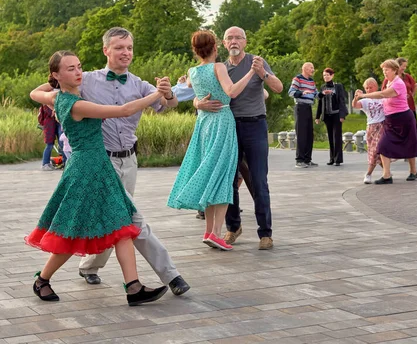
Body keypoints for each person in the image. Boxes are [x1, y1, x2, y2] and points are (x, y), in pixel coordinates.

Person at [26, 51, 167, 305]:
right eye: (70, 69)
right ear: (56, 75)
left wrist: (52, 85)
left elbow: (35, 92)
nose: (78, 72)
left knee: (121, 225)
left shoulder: (55, 96)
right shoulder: (74, 104)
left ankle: (133, 287)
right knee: (73, 231)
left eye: (79, 66)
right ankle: (42, 279)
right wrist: (158, 94)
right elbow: (124, 110)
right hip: (85, 170)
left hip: (98, 166)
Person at [76, 27, 189, 295]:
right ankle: (171, 275)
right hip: (102, 163)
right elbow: (54, 88)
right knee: (133, 220)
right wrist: (47, 97)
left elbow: (168, 105)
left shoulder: (139, 84)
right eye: (119, 48)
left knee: (114, 219)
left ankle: (89, 266)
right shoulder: (88, 80)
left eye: (129, 47)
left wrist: (168, 92)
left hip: (130, 161)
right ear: (106, 50)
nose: (125, 52)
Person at [194, 26, 283, 250]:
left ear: (245, 41)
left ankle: (265, 233)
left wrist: (262, 72)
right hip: (229, 128)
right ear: (223, 44)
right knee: (227, 179)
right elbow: (195, 93)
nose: (234, 41)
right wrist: (198, 103)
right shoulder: (220, 68)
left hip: (255, 125)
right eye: (229, 38)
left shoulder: (256, 62)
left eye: (238, 38)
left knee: (259, 179)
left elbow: (278, 87)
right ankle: (233, 227)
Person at [168, 30, 254, 249]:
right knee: (223, 174)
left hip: (204, 124)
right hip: (222, 121)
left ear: (196, 50)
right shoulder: (219, 67)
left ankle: (208, 231)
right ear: (216, 47)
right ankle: (215, 232)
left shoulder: (193, 71)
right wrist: (251, 73)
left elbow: (187, 87)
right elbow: (231, 91)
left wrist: (196, 100)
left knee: (209, 172)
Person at [354, 59, 417, 184]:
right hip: (391, 120)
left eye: (386, 70)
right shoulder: (389, 82)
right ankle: (387, 175)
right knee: (382, 145)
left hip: (403, 118)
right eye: (383, 70)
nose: (384, 73)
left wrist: (364, 95)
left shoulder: (398, 83)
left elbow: (383, 95)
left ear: (394, 70)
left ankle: (413, 171)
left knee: (409, 144)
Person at [352, 78, 385, 184]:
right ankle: (386, 171)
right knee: (375, 152)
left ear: (376, 87)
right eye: (367, 88)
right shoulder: (365, 100)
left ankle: (368, 173)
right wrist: (356, 98)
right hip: (371, 126)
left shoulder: (381, 97)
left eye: (371, 87)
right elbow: (355, 105)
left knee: (376, 150)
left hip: (382, 125)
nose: (369, 89)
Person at [316, 68, 348, 166]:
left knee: (337, 137)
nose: (326, 77)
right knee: (330, 137)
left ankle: (338, 159)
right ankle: (332, 158)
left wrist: (342, 115)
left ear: (332, 76)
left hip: (336, 114)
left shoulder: (338, 86)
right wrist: (317, 116)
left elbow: (342, 101)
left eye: (327, 75)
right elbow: (320, 102)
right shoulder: (322, 87)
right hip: (327, 116)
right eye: (324, 75)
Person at [288, 62, 318, 168]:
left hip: (308, 108)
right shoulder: (297, 79)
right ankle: (299, 160)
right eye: (311, 67)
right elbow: (291, 92)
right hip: (300, 107)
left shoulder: (311, 81)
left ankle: (307, 159)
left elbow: (315, 93)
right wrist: (301, 93)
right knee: (301, 134)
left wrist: (324, 94)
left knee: (309, 134)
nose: (313, 70)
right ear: (305, 68)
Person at [38, 104, 63, 171]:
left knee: (62, 143)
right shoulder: (46, 102)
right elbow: (50, 113)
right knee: (49, 144)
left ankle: (65, 162)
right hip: (49, 125)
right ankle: (45, 163)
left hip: (57, 123)